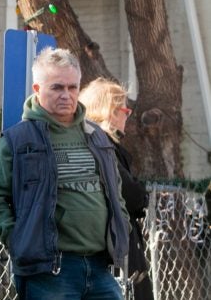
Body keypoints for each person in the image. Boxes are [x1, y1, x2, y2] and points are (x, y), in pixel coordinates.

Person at [0, 47, 130, 300]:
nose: (67, 95)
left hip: (100, 265)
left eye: (72, 87)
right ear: (37, 89)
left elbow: (115, 191)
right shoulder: (18, 139)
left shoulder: (97, 135)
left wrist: (122, 226)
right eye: (57, 87)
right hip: (49, 271)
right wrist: (18, 239)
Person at [79, 78, 154, 300]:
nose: (126, 117)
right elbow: (131, 194)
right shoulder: (102, 146)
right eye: (125, 111)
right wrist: (142, 194)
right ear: (111, 111)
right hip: (113, 250)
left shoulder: (90, 141)